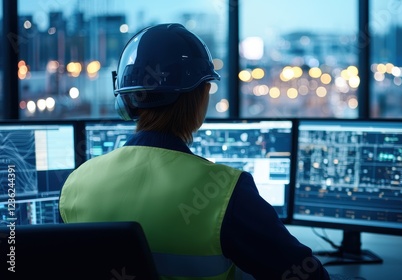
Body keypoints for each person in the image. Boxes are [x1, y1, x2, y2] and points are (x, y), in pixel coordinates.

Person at [59, 23, 330, 279]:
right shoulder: (225, 191)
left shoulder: (76, 183)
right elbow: (308, 275)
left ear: (127, 99)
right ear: (199, 99)